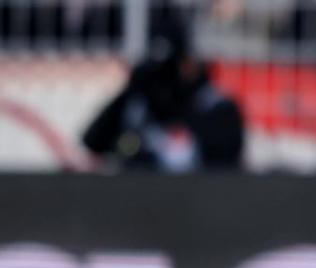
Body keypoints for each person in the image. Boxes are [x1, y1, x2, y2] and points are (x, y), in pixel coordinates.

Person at [82, 15, 243, 171]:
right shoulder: (138, 100)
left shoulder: (216, 107)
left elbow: (227, 163)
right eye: (159, 73)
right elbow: (93, 141)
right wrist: (133, 91)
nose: (164, 83)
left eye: (171, 72)